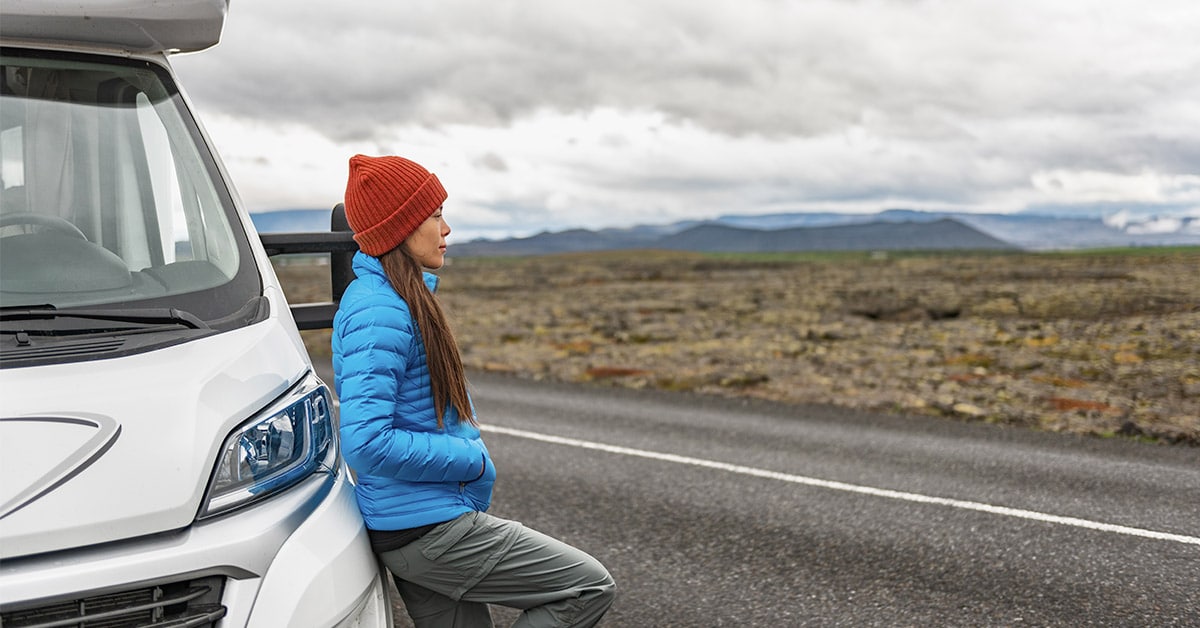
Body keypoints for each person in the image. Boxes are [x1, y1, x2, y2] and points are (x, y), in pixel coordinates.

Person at [332, 154, 615, 628]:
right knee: (587, 586)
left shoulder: (397, 299)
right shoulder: (379, 311)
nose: (446, 229)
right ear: (399, 228)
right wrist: (470, 458)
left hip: (412, 525)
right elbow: (365, 442)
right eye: (436, 215)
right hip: (426, 529)